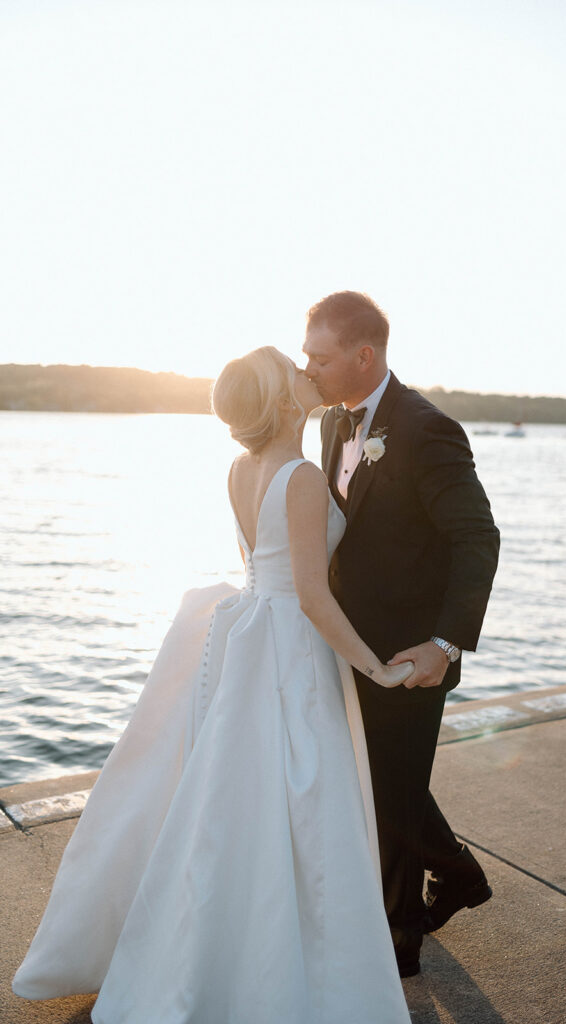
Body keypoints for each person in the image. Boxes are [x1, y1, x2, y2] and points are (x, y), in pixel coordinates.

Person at [12, 346, 414, 1024]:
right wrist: (378, 669)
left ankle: (215, 956)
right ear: (285, 401)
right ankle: (281, 965)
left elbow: (260, 566)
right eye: (294, 367)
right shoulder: (304, 477)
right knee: (297, 803)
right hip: (290, 649)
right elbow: (312, 597)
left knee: (236, 801)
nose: (306, 370)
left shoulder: (239, 469)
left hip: (248, 639)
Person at [303, 291, 500, 977]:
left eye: (319, 358)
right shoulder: (333, 423)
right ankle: (461, 877)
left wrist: (443, 646)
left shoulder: (426, 428)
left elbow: (476, 536)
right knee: (382, 781)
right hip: (347, 643)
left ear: (364, 355)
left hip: (412, 653)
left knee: (389, 795)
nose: (308, 369)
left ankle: (397, 945)